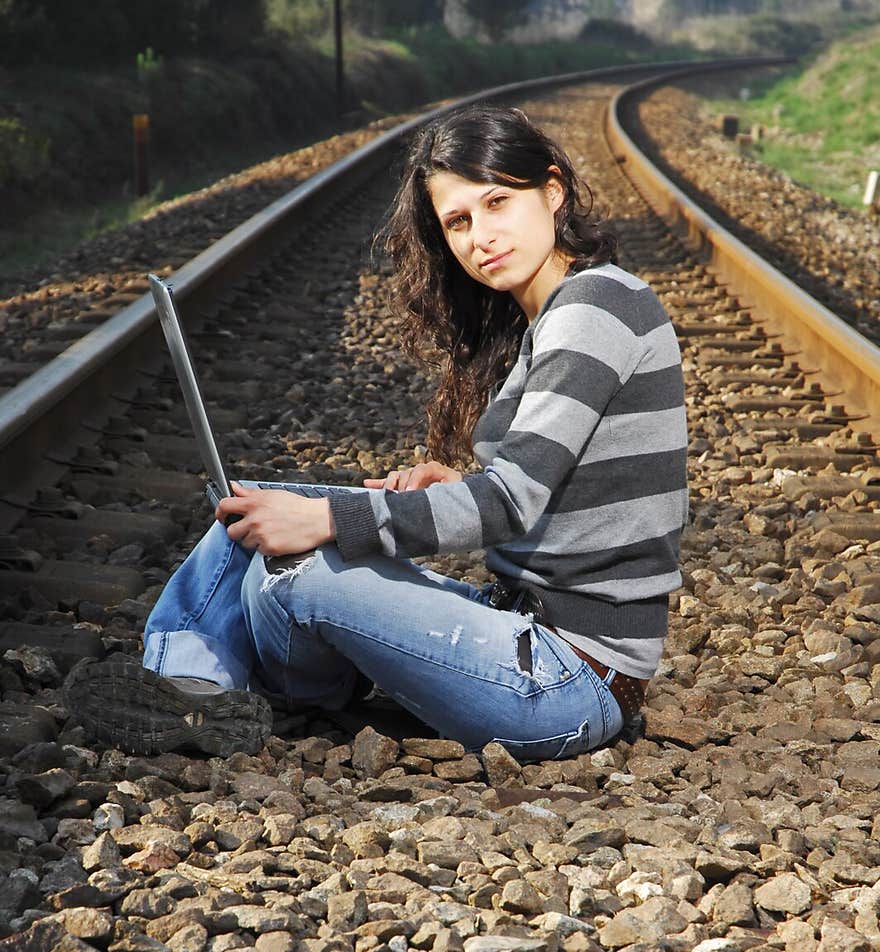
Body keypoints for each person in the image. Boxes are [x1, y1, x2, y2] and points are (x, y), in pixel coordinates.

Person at [63, 104, 688, 763]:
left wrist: (334, 517)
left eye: (498, 202)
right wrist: (455, 487)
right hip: (525, 633)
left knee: (298, 569)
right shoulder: (557, 315)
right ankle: (187, 691)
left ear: (552, 191)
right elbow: (558, 492)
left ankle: (251, 684)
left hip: (570, 680)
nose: (482, 236)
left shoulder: (595, 308)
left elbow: (510, 502)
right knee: (254, 508)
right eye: (459, 221)